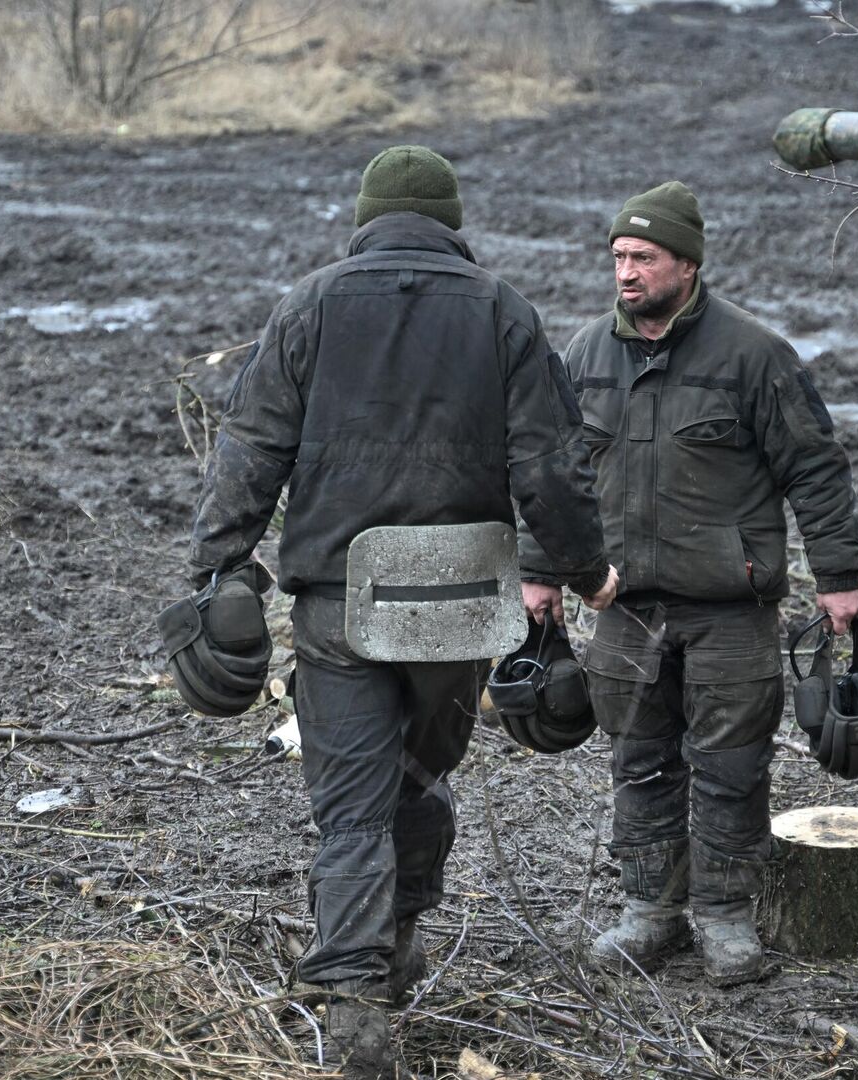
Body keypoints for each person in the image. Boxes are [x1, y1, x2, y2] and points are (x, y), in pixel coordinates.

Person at [180, 145, 618, 1075]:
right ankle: (404, 933)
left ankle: (354, 1005)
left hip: (340, 600)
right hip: (461, 601)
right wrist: (585, 571)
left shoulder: (311, 303)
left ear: (366, 216)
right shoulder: (503, 310)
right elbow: (550, 465)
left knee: (350, 808)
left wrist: (221, 564)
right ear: (451, 222)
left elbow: (251, 447)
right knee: (419, 775)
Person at [518, 180, 858, 986]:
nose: (626, 272)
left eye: (643, 257)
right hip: (622, 604)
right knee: (637, 760)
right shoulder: (582, 356)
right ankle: (650, 913)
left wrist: (838, 578)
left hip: (730, 608)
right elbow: (551, 476)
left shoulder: (754, 354)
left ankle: (723, 918)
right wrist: (541, 573)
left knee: (731, 765)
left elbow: (816, 469)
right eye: (618, 257)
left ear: (687, 263)